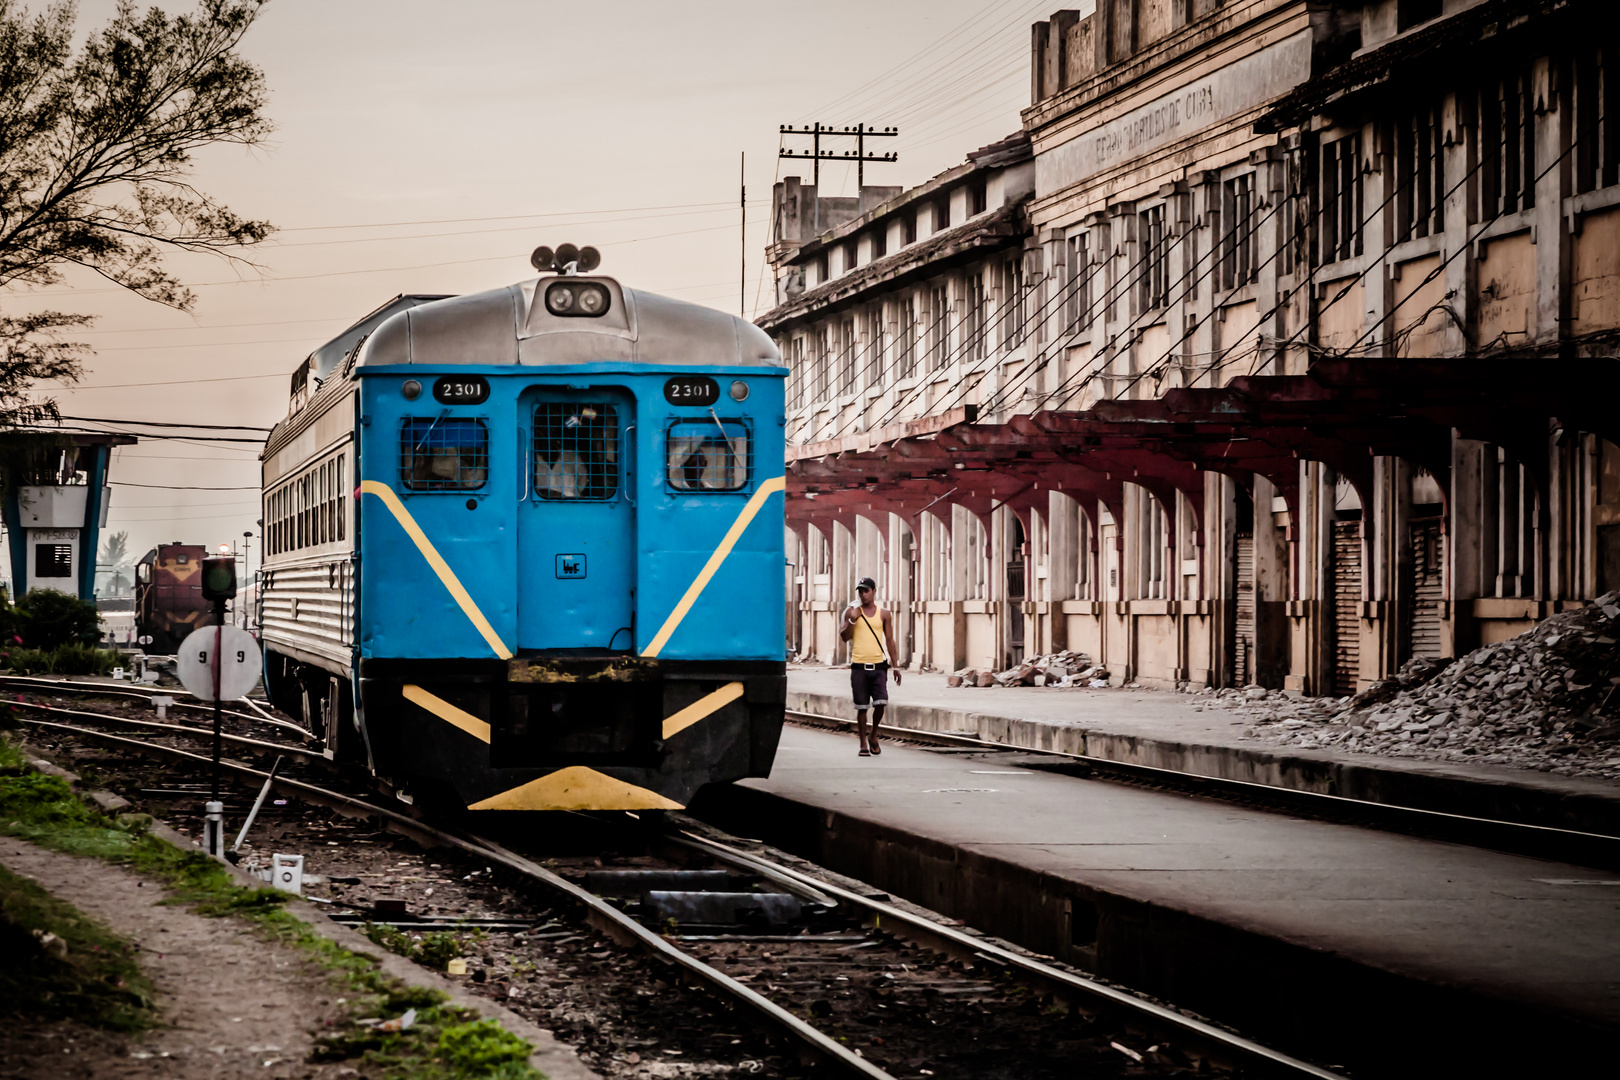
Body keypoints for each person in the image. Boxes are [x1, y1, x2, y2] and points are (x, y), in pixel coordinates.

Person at [839, 575, 902, 757]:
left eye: (866, 590)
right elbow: (844, 637)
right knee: (862, 707)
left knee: (881, 702)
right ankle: (863, 743)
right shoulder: (852, 611)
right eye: (860, 591)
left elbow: (890, 640)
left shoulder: (884, 614)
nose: (863, 594)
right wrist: (852, 620)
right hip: (858, 666)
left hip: (879, 666)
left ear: (874, 592)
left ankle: (874, 734)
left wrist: (896, 666)